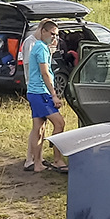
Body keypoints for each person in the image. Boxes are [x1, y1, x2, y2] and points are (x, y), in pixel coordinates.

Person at [22, 19, 68, 174]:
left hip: (34, 92)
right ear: (43, 31)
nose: (54, 38)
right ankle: (57, 160)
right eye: (52, 34)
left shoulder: (40, 47)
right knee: (59, 123)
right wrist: (54, 95)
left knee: (39, 128)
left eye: (56, 35)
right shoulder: (40, 48)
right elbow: (45, 73)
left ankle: (36, 163)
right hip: (41, 92)